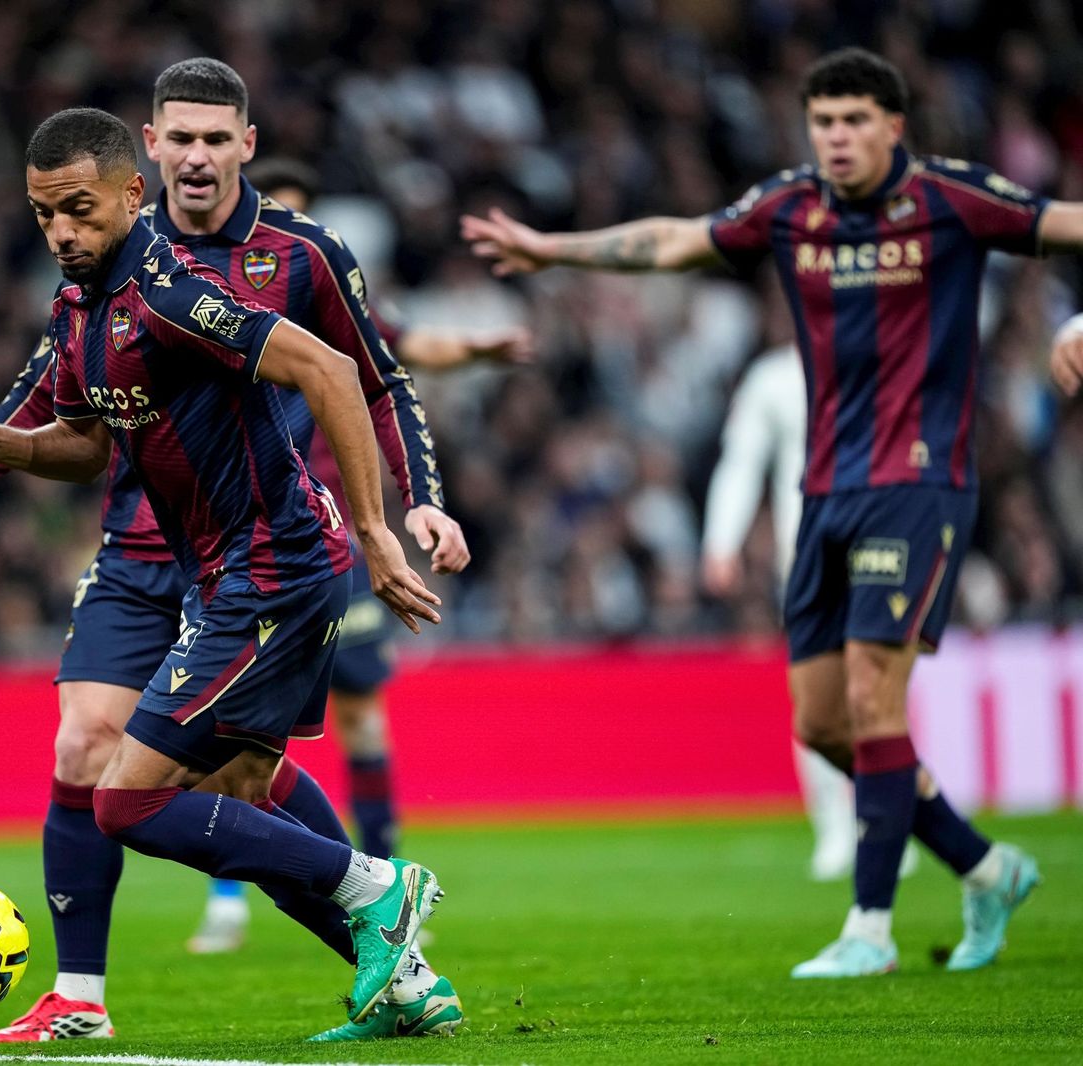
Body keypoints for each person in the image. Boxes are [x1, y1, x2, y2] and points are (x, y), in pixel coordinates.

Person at [0, 65, 472, 1043]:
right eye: (44, 212)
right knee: (215, 785)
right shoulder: (83, 304)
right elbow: (80, 440)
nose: (59, 228)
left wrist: (388, 526)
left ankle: (377, 888)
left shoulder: (180, 291)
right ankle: (391, 973)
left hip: (269, 570)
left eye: (76, 209)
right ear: (151, 147)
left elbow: (343, 369)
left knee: (128, 799)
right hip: (204, 569)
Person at [464, 46, 1083, 978]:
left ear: (893, 126)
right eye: (822, 121)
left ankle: (869, 926)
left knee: (877, 700)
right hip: (823, 495)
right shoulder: (791, 208)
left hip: (917, 485)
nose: (834, 138)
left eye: (852, 121)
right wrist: (554, 249)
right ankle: (987, 867)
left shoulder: (954, 199)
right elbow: (673, 239)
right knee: (824, 725)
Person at [190, 154, 530, 955]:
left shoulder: (334, 302)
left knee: (359, 716)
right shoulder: (218, 312)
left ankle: (389, 874)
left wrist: (479, 350)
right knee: (222, 732)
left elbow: (401, 359)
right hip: (249, 539)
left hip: (345, 541)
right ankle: (232, 899)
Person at [701, 342, 918, 884]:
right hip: (804, 555)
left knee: (879, 689)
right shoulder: (773, 377)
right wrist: (721, 541)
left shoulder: (876, 360)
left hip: (880, 541)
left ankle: (889, 823)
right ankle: (834, 829)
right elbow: (742, 461)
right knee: (819, 697)